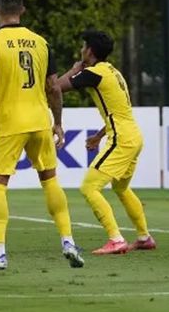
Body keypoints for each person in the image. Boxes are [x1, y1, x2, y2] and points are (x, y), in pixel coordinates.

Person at [0, 0, 83, 271]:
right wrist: (58, 123)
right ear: (23, 11)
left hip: (10, 123)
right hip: (40, 121)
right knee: (50, 179)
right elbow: (53, 87)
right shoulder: (41, 42)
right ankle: (68, 240)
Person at [57, 29, 155, 254]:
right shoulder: (113, 71)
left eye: (83, 46)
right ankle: (143, 237)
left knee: (89, 187)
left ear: (89, 51)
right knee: (121, 188)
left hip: (121, 139)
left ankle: (116, 239)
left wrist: (74, 69)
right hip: (132, 136)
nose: (81, 50)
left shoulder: (93, 73)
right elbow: (118, 111)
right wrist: (99, 136)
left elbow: (55, 87)